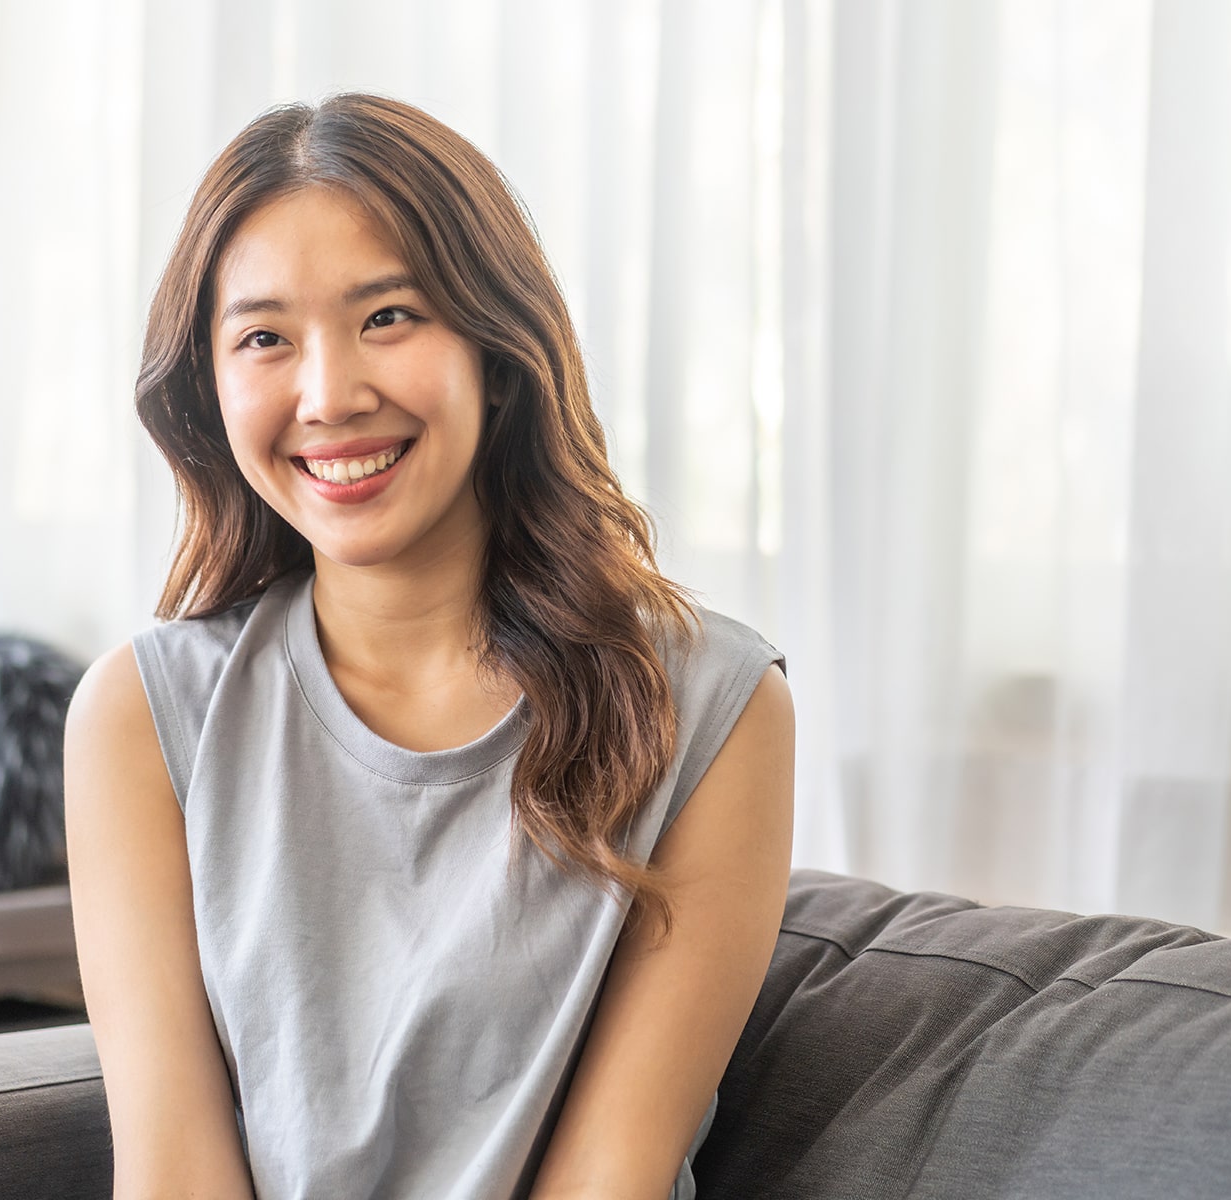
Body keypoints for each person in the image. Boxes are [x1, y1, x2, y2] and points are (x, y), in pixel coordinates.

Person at [63, 93, 794, 1200]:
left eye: (389, 317)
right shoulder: (140, 717)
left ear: (497, 350)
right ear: (208, 391)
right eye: (264, 337)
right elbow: (171, 1172)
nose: (329, 395)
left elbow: (613, 1177)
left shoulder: (707, 706)